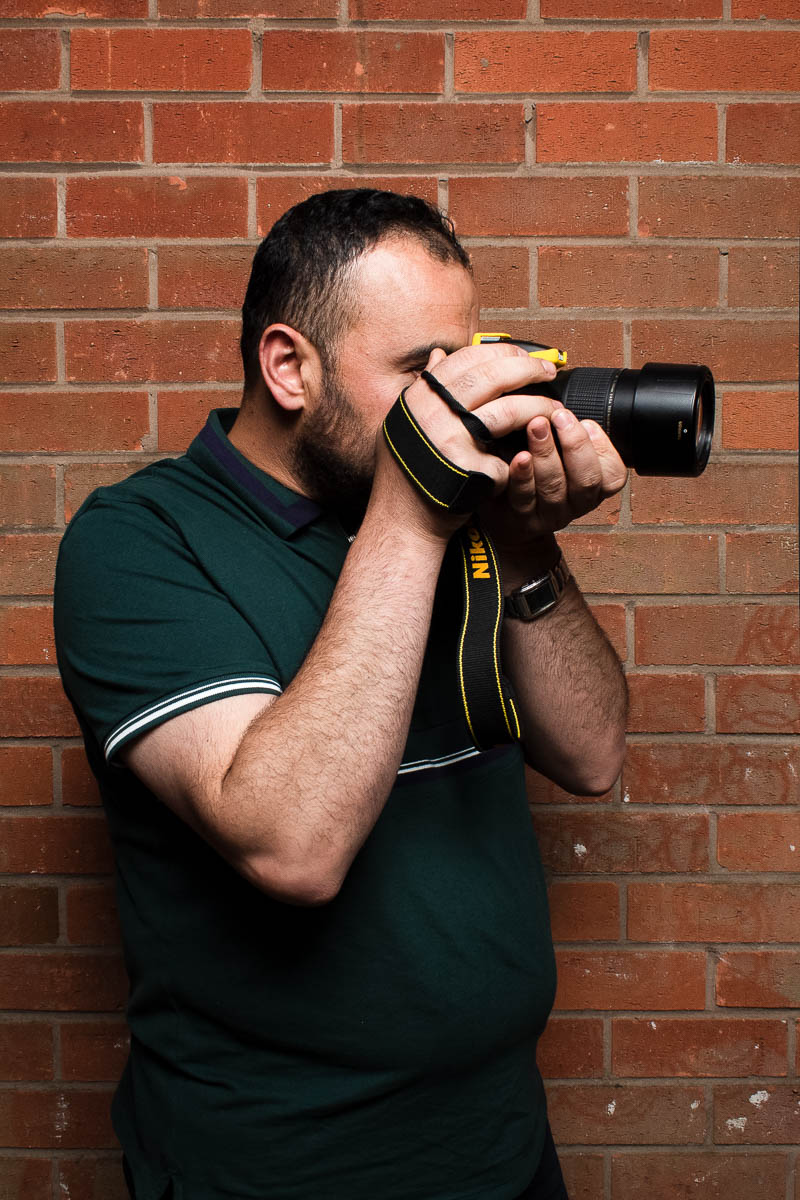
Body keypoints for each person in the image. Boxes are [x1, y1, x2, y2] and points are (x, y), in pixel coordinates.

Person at [54, 189, 628, 1200]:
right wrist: (413, 516)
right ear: (288, 367)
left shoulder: (457, 520)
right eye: (418, 372)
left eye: (459, 363)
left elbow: (589, 754)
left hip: (497, 1146)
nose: (452, 404)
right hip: (279, 1165)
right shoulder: (140, 543)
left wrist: (528, 542)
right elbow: (292, 844)